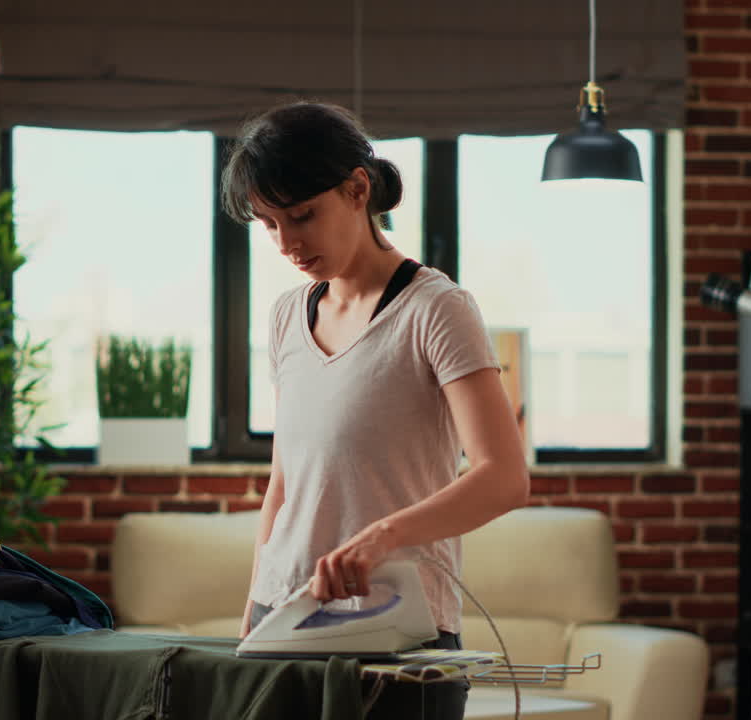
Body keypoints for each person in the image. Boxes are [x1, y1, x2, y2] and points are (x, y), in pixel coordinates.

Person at [221, 101, 530, 719]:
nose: (287, 242)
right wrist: (254, 614)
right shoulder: (288, 314)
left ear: (357, 189)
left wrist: (379, 538)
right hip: (284, 620)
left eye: (302, 216)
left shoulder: (437, 309)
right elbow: (283, 486)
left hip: (399, 633)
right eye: (269, 223)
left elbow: (504, 477)